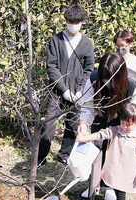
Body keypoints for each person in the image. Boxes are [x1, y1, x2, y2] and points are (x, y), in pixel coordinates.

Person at [78, 53, 136, 200]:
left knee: (118, 153)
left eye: (111, 79)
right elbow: (87, 106)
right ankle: (95, 183)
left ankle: (111, 186)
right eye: (104, 78)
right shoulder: (93, 79)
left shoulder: (133, 83)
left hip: (123, 121)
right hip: (100, 115)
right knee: (97, 149)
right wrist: (84, 123)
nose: (107, 82)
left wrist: (133, 132)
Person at [37, 5, 94, 167]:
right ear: (66, 21)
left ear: (82, 23)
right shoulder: (56, 40)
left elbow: (88, 69)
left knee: (72, 123)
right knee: (49, 122)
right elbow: (52, 66)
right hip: (57, 89)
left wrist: (80, 90)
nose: (73, 25)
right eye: (70, 21)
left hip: (77, 92)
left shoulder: (87, 44)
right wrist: (64, 89)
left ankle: (64, 154)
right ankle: (41, 157)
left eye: (77, 22)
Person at [76, 103, 136, 200]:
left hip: (126, 171)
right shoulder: (116, 131)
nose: (125, 127)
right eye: (123, 123)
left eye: (129, 125)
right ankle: (114, 199)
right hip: (114, 166)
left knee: (121, 190)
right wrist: (85, 138)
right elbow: (101, 134)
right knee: (111, 183)